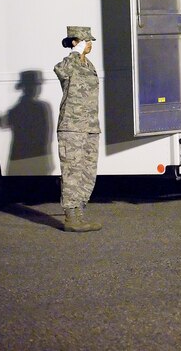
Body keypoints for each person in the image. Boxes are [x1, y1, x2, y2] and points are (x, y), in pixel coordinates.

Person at [54, 26, 102, 232]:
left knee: (87, 171)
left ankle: (80, 213)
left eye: (90, 41)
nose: (89, 44)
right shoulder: (69, 63)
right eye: (85, 40)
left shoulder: (88, 65)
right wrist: (74, 53)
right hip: (72, 126)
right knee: (72, 171)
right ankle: (71, 217)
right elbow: (60, 70)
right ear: (75, 42)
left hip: (90, 126)